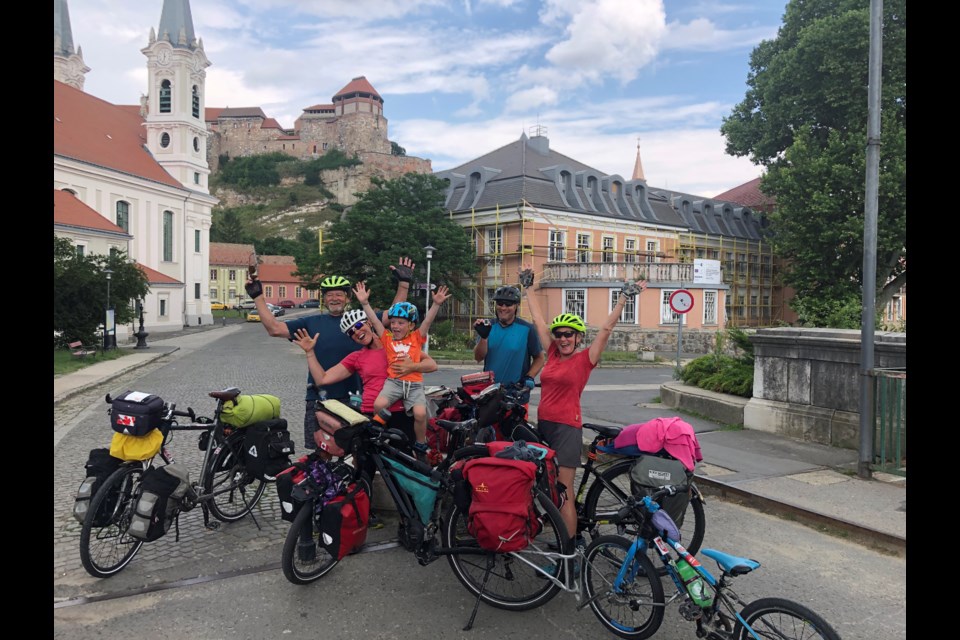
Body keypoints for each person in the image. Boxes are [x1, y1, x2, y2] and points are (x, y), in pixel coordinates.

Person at [520, 267, 646, 540]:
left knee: (563, 494)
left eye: (569, 334)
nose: (563, 338)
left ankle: (569, 555)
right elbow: (539, 322)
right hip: (546, 427)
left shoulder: (585, 359)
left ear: (578, 338)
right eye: (560, 334)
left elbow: (606, 328)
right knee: (548, 489)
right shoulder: (553, 353)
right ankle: (565, 539)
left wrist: (624, 297)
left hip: (567, 429)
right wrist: (528, 288)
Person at [245, 258, 415, 450]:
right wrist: (258, 297)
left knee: (359, 451)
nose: (334, 299)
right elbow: (274, 328)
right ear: (323, 299)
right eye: (330, 295)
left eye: (339, 294)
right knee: (321, 451)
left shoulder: (361, 320)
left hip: (357, 397)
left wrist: (403, 284)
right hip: (320, 398)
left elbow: (393, 315)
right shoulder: (310, 323)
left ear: (348, 297)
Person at [292, 308, 438, 529]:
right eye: (351, 332)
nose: (357, 332)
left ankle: (409, 520)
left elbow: (429, 364)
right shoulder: (357, 357)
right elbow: (322, 378)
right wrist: (310, 353)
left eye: (359, 326)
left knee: (404, 468)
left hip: (399, 415)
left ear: (369, 324)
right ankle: (361, 516)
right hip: (370, 417)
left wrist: (411, 366)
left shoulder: (394, 345)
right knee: (364, 467)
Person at [356, 281, 450, 460]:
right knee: (379, 405)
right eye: (393, 322)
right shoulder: (387, 338)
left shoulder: (416, 337)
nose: (396, 326)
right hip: (394, 383)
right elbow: (375, 321)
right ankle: (379, 433)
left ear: (411, 326)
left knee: (420, 414)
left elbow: (428, 321)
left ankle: (421, 444)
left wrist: (436, 304)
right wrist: (364, 303)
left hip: (414, 384)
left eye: (401, 323)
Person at [472, 284, 545, 390]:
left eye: (508, 304)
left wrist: (529, 377)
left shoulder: (527, 329)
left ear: (516, 306)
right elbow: (478, 358)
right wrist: (484, 337)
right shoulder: (487, 326)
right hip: (490, 390)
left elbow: (540, 358)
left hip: (517, 391)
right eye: (500, 304)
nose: (503, 308)